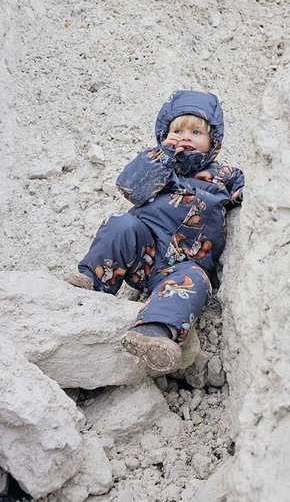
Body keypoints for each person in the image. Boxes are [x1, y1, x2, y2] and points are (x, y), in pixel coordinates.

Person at [65, 89, 244, 373]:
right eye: (178, 130)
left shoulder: (226, 175)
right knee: (122, 225)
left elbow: (254, 198)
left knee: (196, 281)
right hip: (144, 251)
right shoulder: (158, 163)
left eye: (196, 132)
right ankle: (92, 280)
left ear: (213, 141)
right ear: (164, 135)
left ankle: (154, 332)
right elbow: (129, 187)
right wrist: (162, 155)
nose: (186, 137)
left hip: (186, 265)